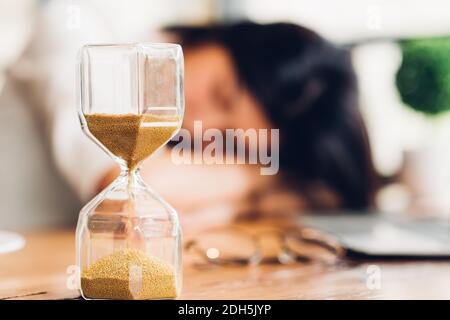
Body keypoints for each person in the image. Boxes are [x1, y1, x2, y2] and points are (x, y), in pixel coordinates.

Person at [15, 14, 377, 231]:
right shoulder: (79, 33)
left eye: (229, 139)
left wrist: (240, 202)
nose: (200, 125)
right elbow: (125, 183)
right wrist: (265, 175)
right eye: (222, 94)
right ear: (225, 39)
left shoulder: (181, 154)